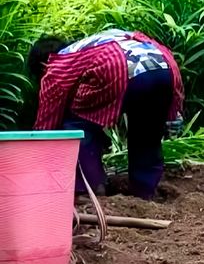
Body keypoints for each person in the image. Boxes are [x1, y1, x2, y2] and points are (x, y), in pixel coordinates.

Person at [29, 29, 184, 200]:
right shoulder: (90, 46)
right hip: (165, 66)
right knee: (146, 134)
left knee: (76, 127)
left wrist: (38, 164)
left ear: (43, 66)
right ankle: (145, 192)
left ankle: (89, 190)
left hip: (116, 65)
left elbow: (46, 126)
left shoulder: (57, 64)